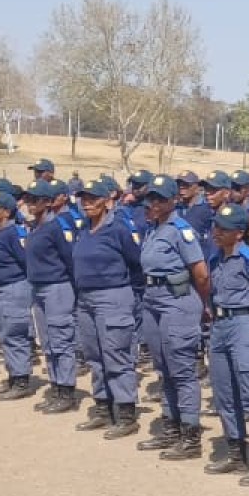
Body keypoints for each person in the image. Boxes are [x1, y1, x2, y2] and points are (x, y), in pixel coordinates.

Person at [134, 178, 214, 460]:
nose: (153, 204)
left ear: (172, 202)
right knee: (164, 367)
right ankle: (171, 428)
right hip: (153, 300)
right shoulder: (153, 229)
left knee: (181, 369)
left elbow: (202, 274)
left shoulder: (182, 230)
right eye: (150, 199)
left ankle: (190, 437)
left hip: (177, 300)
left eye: (159, 199)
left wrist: (203, 305)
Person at [204, 204, 249, 485]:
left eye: (222, 229)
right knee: (225, 393)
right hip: (221, 328)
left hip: (246, 327)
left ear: (237, 233)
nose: (216, 233)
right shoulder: (215, 260)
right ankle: (236, 453)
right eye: (215, 227)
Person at [69, 178, 144, 440]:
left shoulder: (118, 229)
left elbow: (137, 263)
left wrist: (125, 293)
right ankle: (103, 407)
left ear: (105, 201)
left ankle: (125, 413)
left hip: (113, 297)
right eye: (83, 198)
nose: (86, 203)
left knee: (116, 355)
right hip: (86, 299)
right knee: (94, 355)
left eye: (92, 199)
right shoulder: (82, 229)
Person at [23, 181, 82, 414]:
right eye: (27, 199)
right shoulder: (34, 227)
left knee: (61, 340)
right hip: (38, 289)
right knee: (47, 342)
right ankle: (56, 387)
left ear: (47, 202)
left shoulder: (58, 227)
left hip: (58, 287)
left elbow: (70, 260)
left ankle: (67, 391)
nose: (29, 204)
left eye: (34, 200)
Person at [0, 191, 35, 398]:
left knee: (15, 333)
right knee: (5, 334)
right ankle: (13, 375)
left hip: (14, 288)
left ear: (6, 212)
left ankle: (22, 380)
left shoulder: (14, 233)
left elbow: (26, 261)